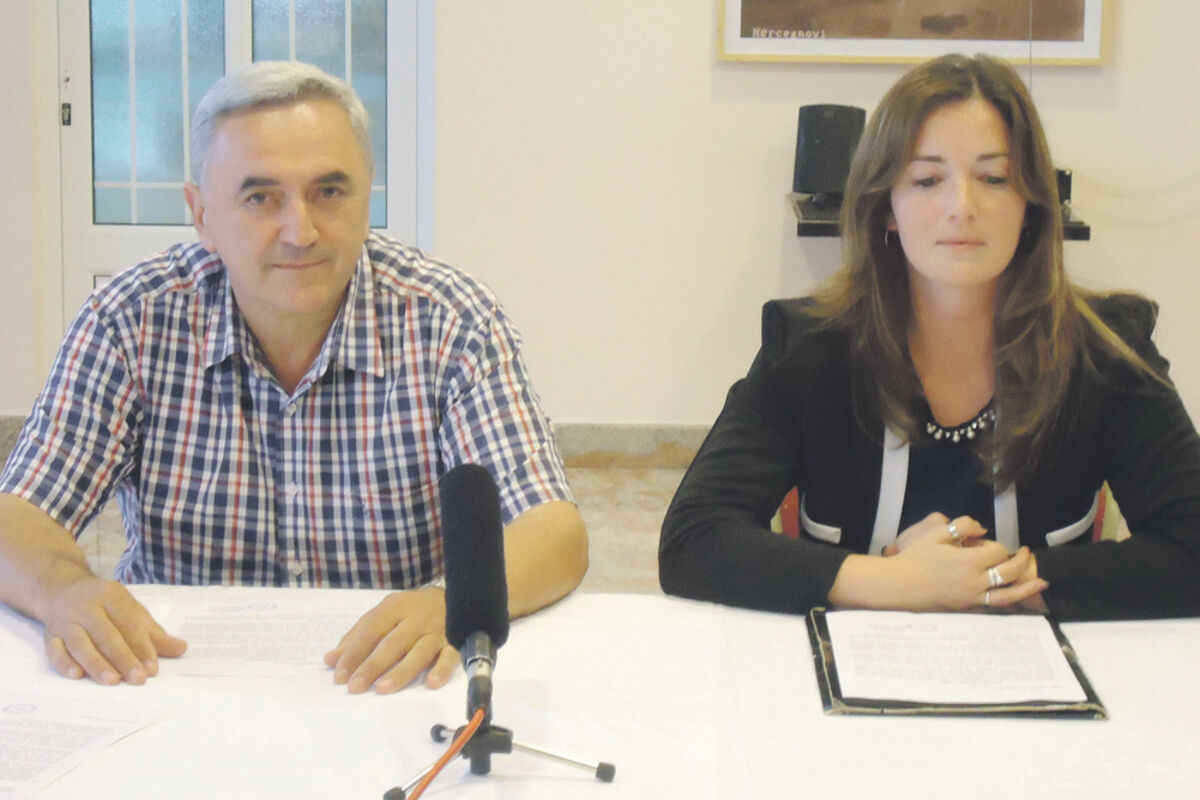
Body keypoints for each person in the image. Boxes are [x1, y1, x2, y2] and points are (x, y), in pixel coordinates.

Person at [0, 61, 588, 692]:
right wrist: (63, 591)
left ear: (368, 199)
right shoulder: (131, 320)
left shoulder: (450, 321)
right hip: (176, 680)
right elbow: (19, 514)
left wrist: (449, 602)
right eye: (260, 198)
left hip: (386, 683)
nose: (300, 232)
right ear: (201, 215)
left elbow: (554, 532)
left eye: (329, 192)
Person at [659, 53, 1200, 621]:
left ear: (1032, 205)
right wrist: (897, 583)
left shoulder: (1106, 352)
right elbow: (694, 539)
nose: (961, 207)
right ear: (886, 207)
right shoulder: (807, 347)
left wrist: (990, 583)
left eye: (994, 178)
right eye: (926, 180)